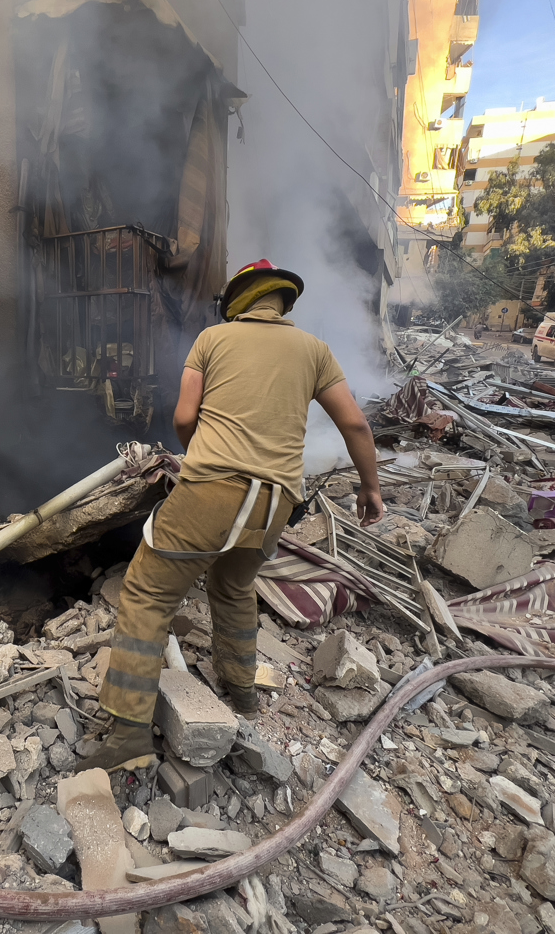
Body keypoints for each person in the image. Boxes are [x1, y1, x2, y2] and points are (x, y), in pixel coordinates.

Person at [78, 259, 385, 772]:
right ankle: (242, 691)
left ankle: (128, 731)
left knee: (148, 593)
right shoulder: (315, 351)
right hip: (276, 502)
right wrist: (371, 487)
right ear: (282, 301)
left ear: (237, 300)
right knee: (234, 586)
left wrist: (195, 454)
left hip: (211, 492)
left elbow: (183, 416)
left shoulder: (212, 339)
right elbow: (354, 423)